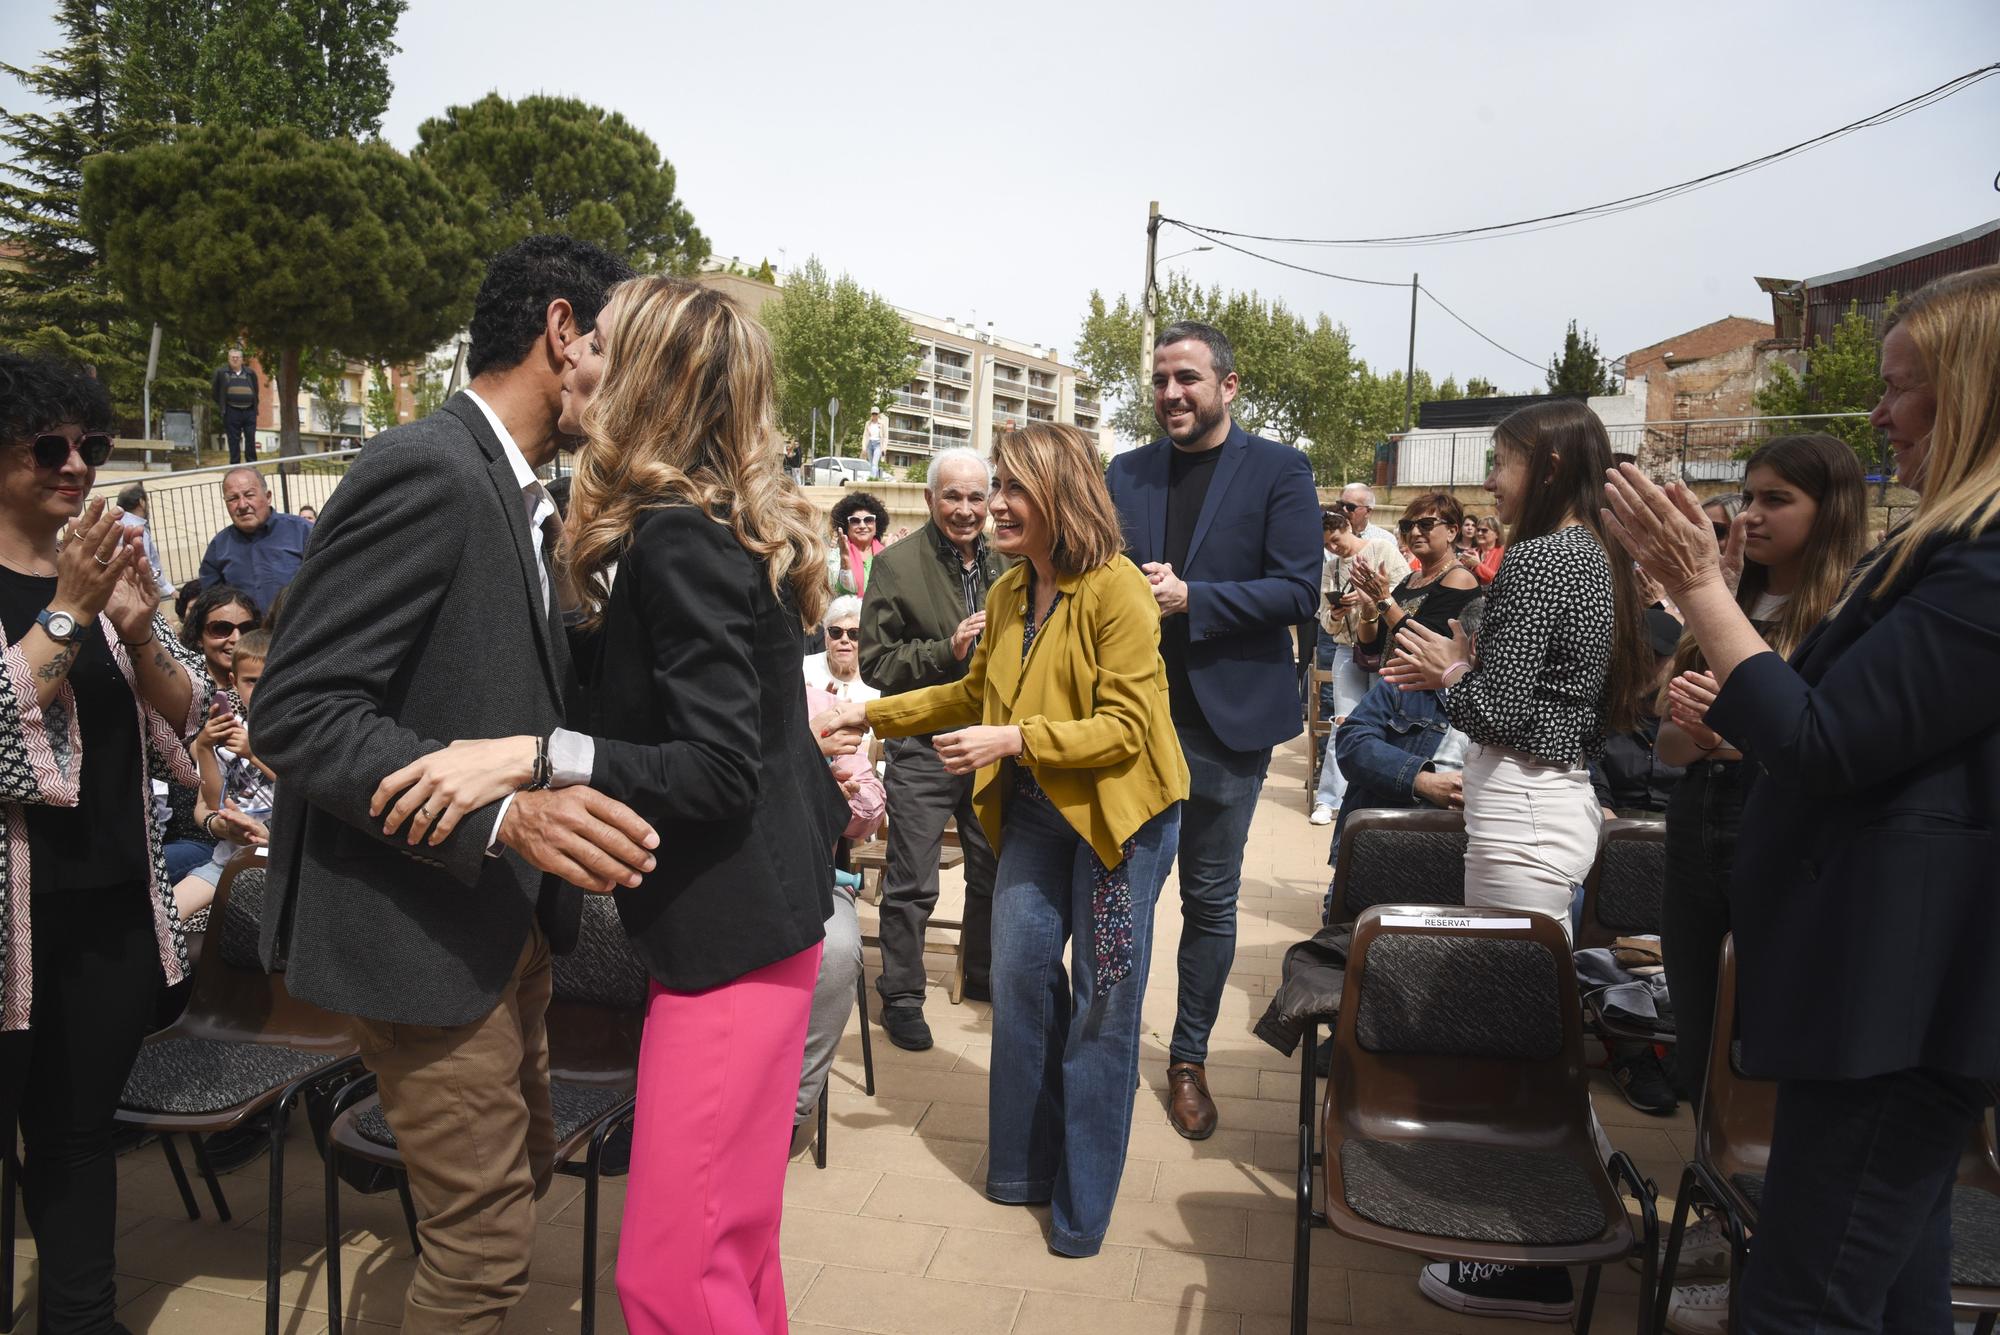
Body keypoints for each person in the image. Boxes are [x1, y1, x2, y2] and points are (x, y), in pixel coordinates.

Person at [252, 234, 659, 1335]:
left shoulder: (524, 492)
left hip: (503, 929)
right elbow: (295, 710)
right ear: (563, 331)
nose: (633, 384)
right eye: (622, 350)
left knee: (512, 1190)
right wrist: (502, 814)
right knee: (480, 1255)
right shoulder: (427, 467)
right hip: (422, 930)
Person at [1605, 264, 2000, 1335]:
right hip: (1870, 998)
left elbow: (1821, 739)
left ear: (1974, 391)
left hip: (1900, 1010)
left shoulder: (1981, 562)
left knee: (1798, 1303)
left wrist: (1693, 585)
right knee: (1893, 1291)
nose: (1877, 411)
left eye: (1901, 386)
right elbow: (1805, 717)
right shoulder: (1937, 552)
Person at [552, 276, 845, 1332]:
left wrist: (550, 751)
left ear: (644, 378)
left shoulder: (678, 536)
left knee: (671, 1279)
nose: (577, 358)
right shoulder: (704, 522)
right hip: (762, 927)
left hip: (728, 942)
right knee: (730, 1253)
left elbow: (717, 768)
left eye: (599, 343)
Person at [828, 422, 1189, 1258]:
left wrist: (1016, 739)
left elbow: (1128, 728)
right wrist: (867, 715)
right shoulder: (1008, 593)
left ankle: (1082, 1201)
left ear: (1060, 495)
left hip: (1118, 828)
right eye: (995, 489)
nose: (995, 505)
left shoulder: (1118, 591)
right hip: (1035, 814)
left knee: (1103, 1003)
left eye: (1014, 489)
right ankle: (1024, 1165)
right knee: (1023, 979)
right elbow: (967, 693)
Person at [1386, 400, 1650, 1324]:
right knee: (1536, 1033)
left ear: (1545, 464)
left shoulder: (1544, 556)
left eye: (1502, 461)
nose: (1492, 481)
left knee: (1525, 1046)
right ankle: (1580, 1217)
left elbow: (1501, 711)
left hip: (1524, 817)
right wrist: (1468, 664)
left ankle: (1536, 1252)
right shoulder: (1594, 553)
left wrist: (1452, 676)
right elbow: (1555, 700)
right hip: (1544, 806)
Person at [1632, 436, 1866, 1331]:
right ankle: (1716, 1226)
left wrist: (1749, 739)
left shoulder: (1845, 609)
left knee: (1767, 1054)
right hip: (1697, 829)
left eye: (1779, 500)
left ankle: (1768, 1242)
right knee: (1700, 1044)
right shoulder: (1724, 598)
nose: (1756, 516)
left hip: (1782, 839)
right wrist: (1698, 734)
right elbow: (1667, 744)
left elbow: (1826, 746)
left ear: (1830, 509)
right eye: (1751, 497)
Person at [0, 352, 210, 1334]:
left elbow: (186, 720)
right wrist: (71, 612)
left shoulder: (111, 562)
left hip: (112, 915)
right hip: (13, 931)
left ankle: (80, 1323)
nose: (75, 465)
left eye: (92, 444)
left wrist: (137, 622)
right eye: (49, 446)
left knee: (81, 1137)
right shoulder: (62, 588)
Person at [1105, 321, 1318, 1140]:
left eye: (1186, 378)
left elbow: (1298, 591)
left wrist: (1197, 598)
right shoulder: (1126, 472)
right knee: (1124, 896)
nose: (1170, 394)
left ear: (1229, 386)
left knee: (1210, 899)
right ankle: (1111, 1050)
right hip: (1132, 724)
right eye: (1160, 379)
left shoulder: (1279, 470)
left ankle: (1187, 1057)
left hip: (1227, 725)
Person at [857, 447, 1007, 1048]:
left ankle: (983, 974)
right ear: (929, 500)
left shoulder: (1007, 562)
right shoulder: (896, 566)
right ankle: (901, 994)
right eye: (953, 496)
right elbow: (875, 663)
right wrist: (947, 650)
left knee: (994, 871)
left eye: (977, 497)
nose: (966, 510)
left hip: (991, 743)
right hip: (923, 746)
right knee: (913, 880)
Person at [793, 650, 886, 1156]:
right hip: (733, 879)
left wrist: (834, 795)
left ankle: (792, 1110)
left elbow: (871, 807)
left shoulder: (819, 707)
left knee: (836, 952)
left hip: (815, 874)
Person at [1309, 508, 1408, 825]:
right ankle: (1328, 799)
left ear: (1348, 527)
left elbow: (1406, 593)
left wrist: (1372, 599)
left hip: (1384, 649)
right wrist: (1337, 614)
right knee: (1344, 722)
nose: (1334, 548)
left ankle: (1371, 795)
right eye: (1328, 545)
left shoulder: (1382, 550)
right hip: (1347, 650)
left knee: (1382, 725)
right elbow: (1325, 620)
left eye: (1336, 541)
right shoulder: (1332, 568)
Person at [172, 630, 276, 920]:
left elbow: (304, 787)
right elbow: (214, 802)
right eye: (251, 681)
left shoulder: (291, 731)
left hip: (281, 860)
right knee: (165, 921)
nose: (261, 690)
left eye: (269, 679)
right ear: (234, 682)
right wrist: (204, 747)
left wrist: (254, 755)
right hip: (228, 858)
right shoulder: (230, 733)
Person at [194, 467, 312, 615]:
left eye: (249, 495)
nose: (242, 505)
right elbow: (210, 604)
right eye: (233, 499)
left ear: (268, 496)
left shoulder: (303, 532)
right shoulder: (219, 547)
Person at [176, 583, 258, 691]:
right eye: (221, 629)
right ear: (199, 637)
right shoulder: (183, 688)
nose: (237, 638)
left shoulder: (271, 681)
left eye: (246, 629)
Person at [806, 594, 880, 704]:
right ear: (826, 637)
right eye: (836, 632)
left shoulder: (877, 679)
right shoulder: (805, 669)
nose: (844, 639)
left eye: (854, 633)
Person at [115, 482, 175, 598]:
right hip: (140, 592)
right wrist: (169, 590)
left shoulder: (119, 524)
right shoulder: (138, 529)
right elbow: (146, 562)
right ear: (142, 502)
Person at [827, 489, 890, 598]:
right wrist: (845, 560)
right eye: (855, 521)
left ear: (876, 524)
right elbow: (843, 589)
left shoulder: (887, 553)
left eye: (868, 520)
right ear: (846, 526)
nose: (862, 525)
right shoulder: (836, 556)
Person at [213, 346, 259, 465]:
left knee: (250, 439)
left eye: (237, 357)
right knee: (233, 440)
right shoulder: (222, 373)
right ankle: (235, 466)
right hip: (232, 411)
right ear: (228, 359)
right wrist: (224, 406)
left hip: (249, 411)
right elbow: (215, 392)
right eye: (232, 357)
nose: (235, 359)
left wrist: (254, 407)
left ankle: (252, 465)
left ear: (242, 359)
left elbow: (255, 391)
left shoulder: (250, 373)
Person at [1470, 513, 1505, 584]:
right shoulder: (1472, 552)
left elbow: (1498, 579)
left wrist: (1478, 565)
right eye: (1478, 530)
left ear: (1497, 534)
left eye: (1484, 530)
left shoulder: (1503, 553)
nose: (1479, 533)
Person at [864, 409, 886, 475]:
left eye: (876, 414)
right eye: (873, 414)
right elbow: (865, 436)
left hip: (878, 444)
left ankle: (872, 479)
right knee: (871, 463)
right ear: (871, 414)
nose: (874, 415)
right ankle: (875, 479)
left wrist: (884, 448)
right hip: (869, 444)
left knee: (874, 463)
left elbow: (885, 437)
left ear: (878, 414)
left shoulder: (882, 423)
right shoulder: (868, 423)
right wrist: (864, 448)